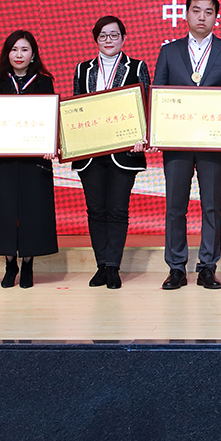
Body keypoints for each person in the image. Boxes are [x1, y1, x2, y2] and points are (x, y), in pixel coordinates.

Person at [151, 0, 221, 291]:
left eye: (208, 12)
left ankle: (207, 266)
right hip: (177, 141)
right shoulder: (169, 51)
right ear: (186, 14)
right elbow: (159, 94)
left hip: (213, 143)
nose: (202, 17)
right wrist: (157, 132)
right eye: (196, 10)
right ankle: (176, 267)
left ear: (217, 17)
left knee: (211, 206)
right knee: (175, 206)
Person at [71, 16, 150, 290]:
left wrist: (142, 136)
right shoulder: (83, 69)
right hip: (90, 152)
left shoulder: (137, 67)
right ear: (96, 39)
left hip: (124, 152)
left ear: (123, 38)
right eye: (103, 35)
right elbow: (76, 109)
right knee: (95, 210)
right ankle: (101, 265)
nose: (108, 40)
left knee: (117, 209)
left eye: (114, 35)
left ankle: (114, 266)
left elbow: (145, 105)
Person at [0, 30, 60, 289]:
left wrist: (51, 144)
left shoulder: (44, 83)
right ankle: (10, 264)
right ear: (7, 54)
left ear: (33, 54)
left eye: (24, 49)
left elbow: (50, 119)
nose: (19, 55)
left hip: (34, 160)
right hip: (3, 160)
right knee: (3, 212)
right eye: (14, 49)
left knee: (33, 211)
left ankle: (28, 263)